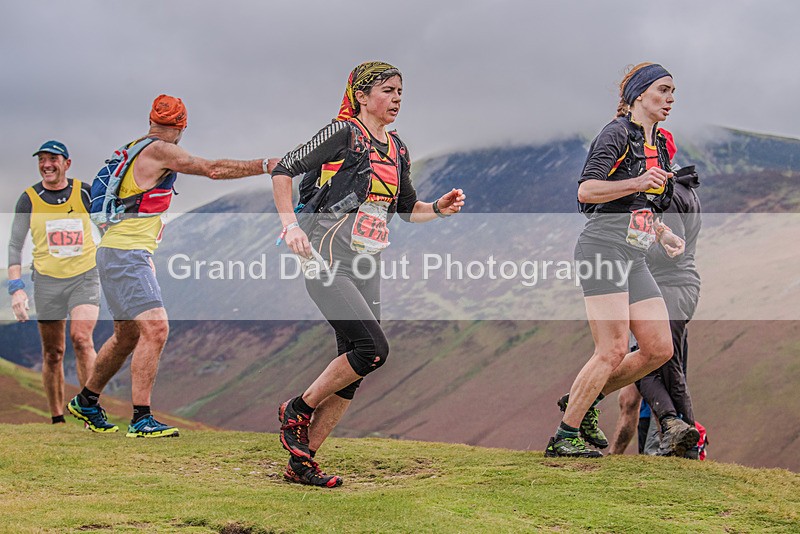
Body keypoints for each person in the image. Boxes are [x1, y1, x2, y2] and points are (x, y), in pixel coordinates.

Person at [271, 61, 465, 487]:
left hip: (365, 261)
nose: (397, 99)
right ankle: (297, 410)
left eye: (401, 92)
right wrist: (289, 228)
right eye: (388, 90)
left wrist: (439, 209)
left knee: (356, 368)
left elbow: (407, 210)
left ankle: (302, 463)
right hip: (324, 253)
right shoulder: (343, 132)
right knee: (373, 350)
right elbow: (283, 169)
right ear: (362, 95)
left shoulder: (398, 149)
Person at [67, 94, 280, 438]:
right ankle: (141, 418)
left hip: (116, 251)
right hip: (127, 254)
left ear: (152, 121)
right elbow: (212, 169)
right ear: (182, 126)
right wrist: (268, 165)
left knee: (127, 336)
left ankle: (87, 401)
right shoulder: (162, 151)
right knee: (157, 329)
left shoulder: (134, 147)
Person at [545, 63, 687, 458]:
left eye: (674, 91)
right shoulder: (617, 133)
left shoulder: (658, 144)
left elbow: (643, 204)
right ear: (640, 94)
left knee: (658, 348)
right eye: (664, 90)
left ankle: (582, 399)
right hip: (602, 248)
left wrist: (662, 232)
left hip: (635, 254)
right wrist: (638, 181)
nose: (671, 98)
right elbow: (587, 191)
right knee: (611, 349)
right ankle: (564, 436)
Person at [610, 166, 702, 456]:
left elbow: (670, 253)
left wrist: (631, 244)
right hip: (665, 289)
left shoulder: (669, 195)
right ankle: (675, 441)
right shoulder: (667, 193)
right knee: (658, 366)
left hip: (669, 288)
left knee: (658, 365)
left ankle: (681, 443)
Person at [8, 140, 100, 425]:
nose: (47, 164)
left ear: (67, 164)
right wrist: (16, 288)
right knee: (53, 352)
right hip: (47, 282)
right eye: (42, 160)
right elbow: (14, 245)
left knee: (82, 339)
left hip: (84, 275)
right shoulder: (29, 199)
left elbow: (109, 228)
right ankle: (57, 419)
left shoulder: (85, 192)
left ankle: (90, 414)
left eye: (53, 159)